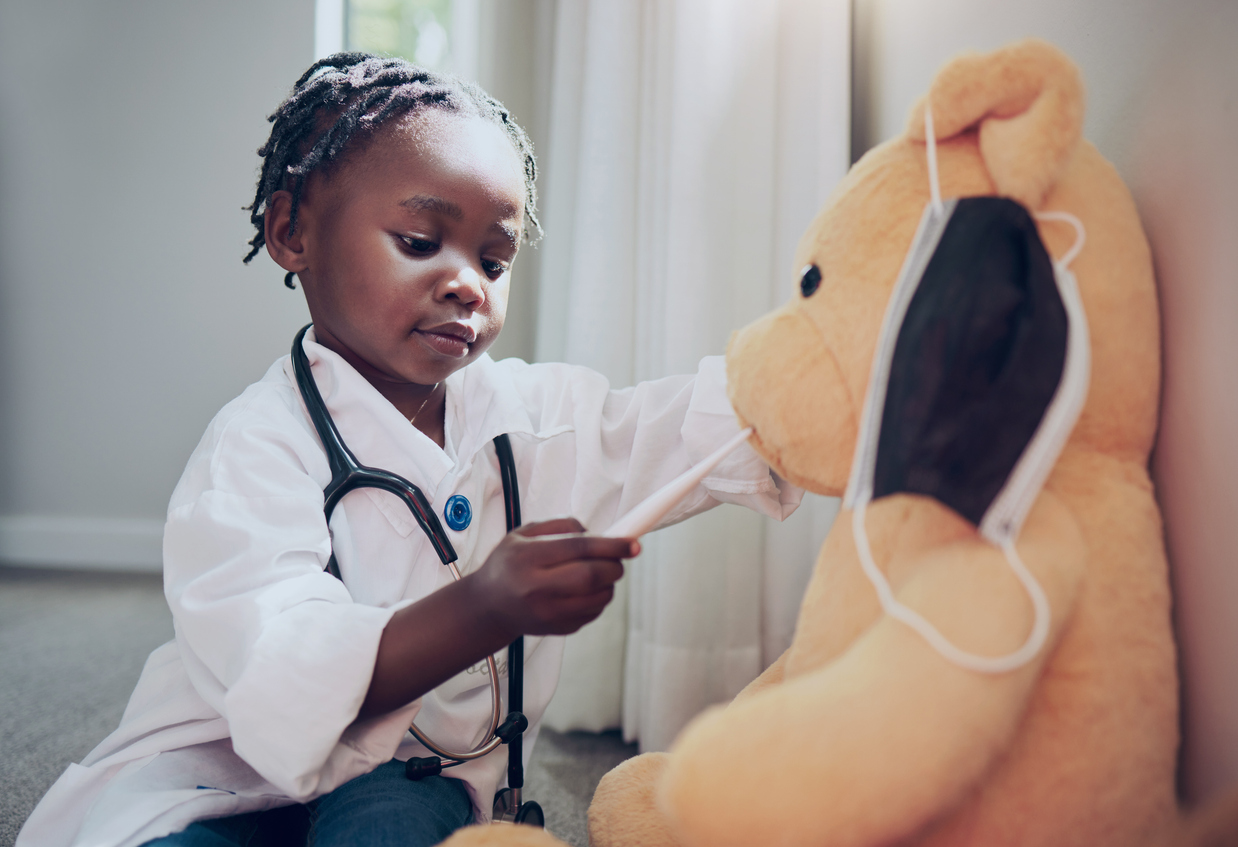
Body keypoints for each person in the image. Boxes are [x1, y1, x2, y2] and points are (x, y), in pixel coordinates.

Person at [17, 53, 800, 847]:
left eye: (494, 261)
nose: (468, 283)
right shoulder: (255, 449)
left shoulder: (536, 415)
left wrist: (809, 377)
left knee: (394, 829)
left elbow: (679, 428)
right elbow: (284, 670)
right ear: (292, 232)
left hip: (402, 774)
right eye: (421, 241)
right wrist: (482, 607)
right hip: (227, 775)